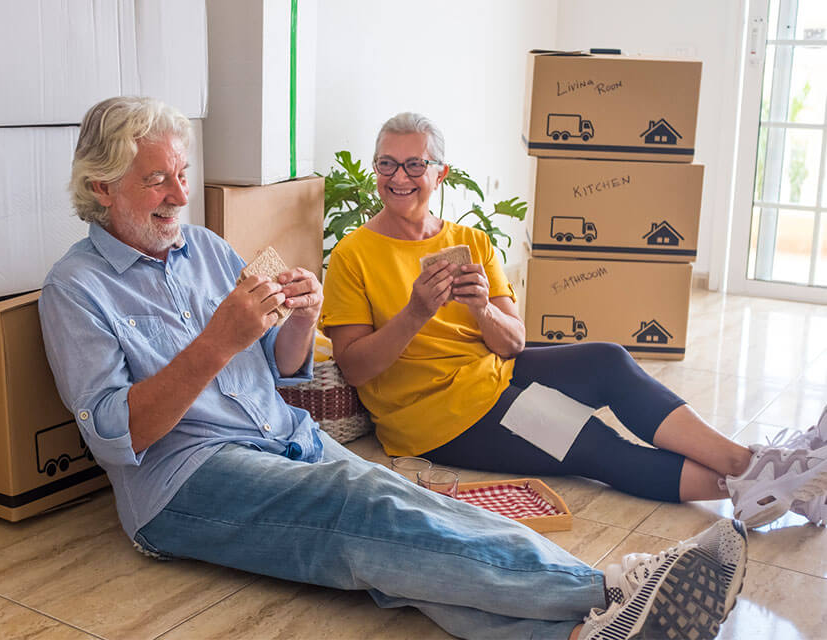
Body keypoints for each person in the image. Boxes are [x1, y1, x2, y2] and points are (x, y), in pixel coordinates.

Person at [40, 96, 748, 640]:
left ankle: (581, 630)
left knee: (417, 520)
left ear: (437, 173)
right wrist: (216, 343)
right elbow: (115, 437)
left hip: (285, 436)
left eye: (182, 176)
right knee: (368, 516)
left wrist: (299, 319)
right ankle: (606, 591)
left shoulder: (207, 248)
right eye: (156, 180)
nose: (177, 195)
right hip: (183, 478)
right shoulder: (77, 289)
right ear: (101, 188)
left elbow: (283, 372)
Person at [321, 111, 827, 530]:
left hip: (493, 374)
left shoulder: (471, 241)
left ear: (440, 174)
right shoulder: (352, 254)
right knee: (591, 443)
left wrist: (480, 309)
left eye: (413, 165)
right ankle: (767, 480)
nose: (398, 178)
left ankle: (755, 471)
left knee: (608, 360)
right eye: (387, 164)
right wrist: (415, 313)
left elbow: (513, 342)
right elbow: (356, 368)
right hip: (436, 415)